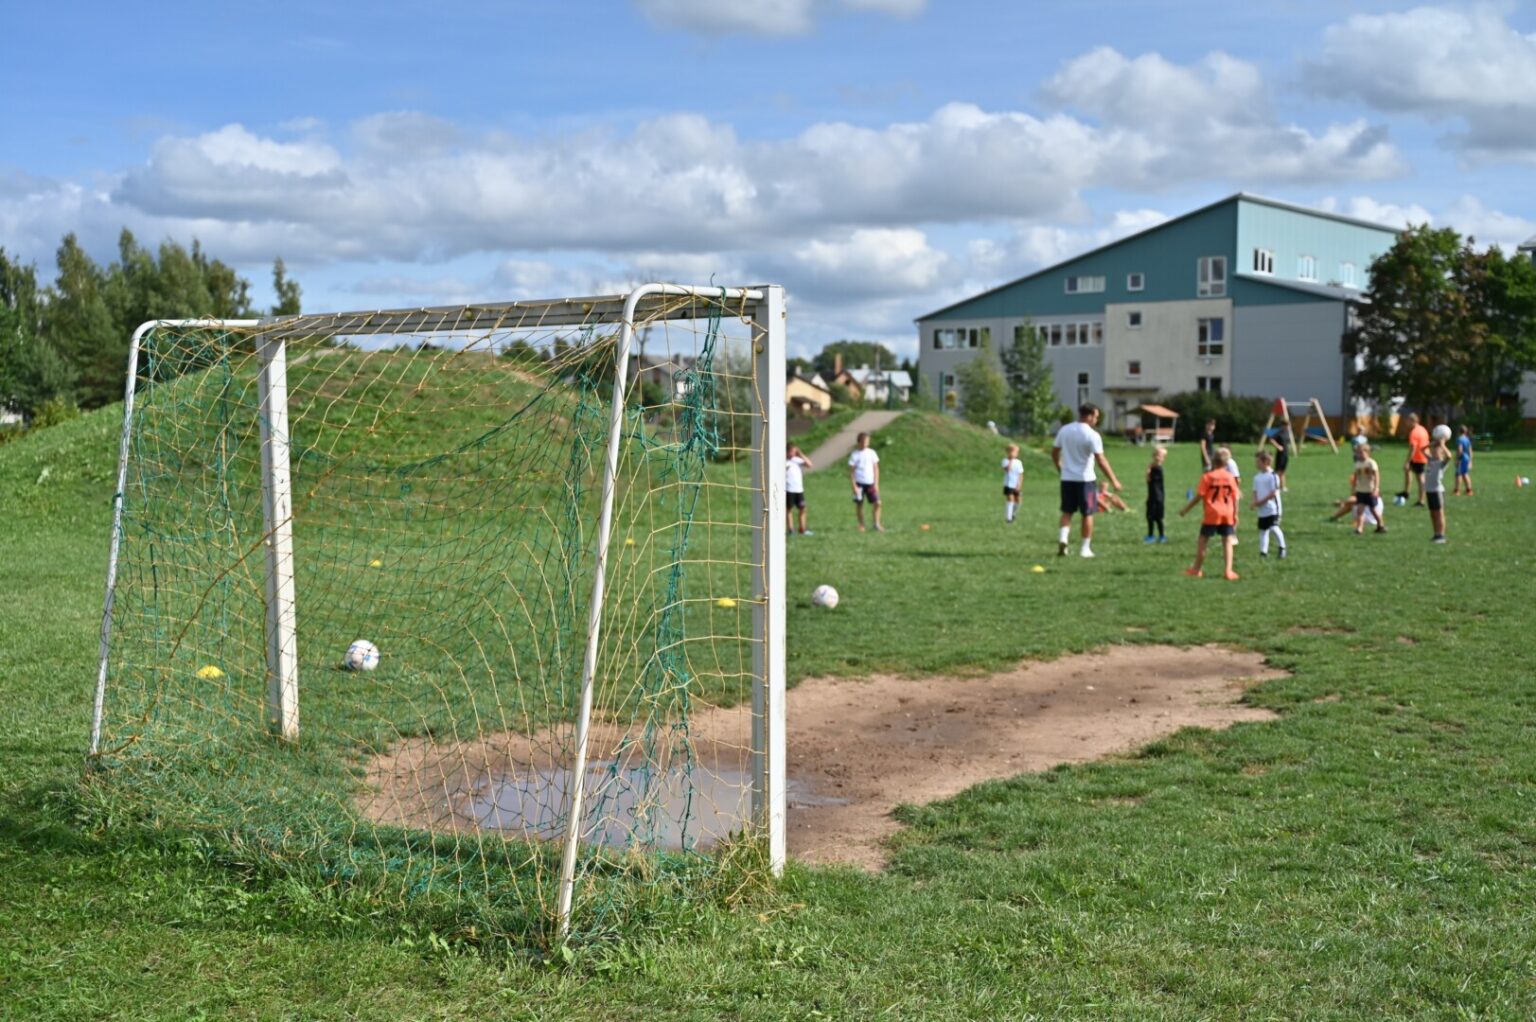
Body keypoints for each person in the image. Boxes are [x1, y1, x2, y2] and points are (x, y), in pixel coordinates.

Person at [1052, 403, 1122, 558]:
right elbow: (1101, 460)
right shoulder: (1092, 435)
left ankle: (1063, 539)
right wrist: (1114, 480)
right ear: (1089, 416)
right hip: (1085, 480)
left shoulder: (1065, 430)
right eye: (1096, 417)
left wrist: (1060, 467)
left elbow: (1055, 452)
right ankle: (1085, 549)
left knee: (1067, 512)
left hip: (1067, 479)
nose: (1096, 420)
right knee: (1087, 514)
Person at [1178, 447, 1241, 580]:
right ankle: (1228, 571)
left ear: (1213, 460)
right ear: (1227, 462)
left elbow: (1199, 496)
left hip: (1212, 513)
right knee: (1227, 541)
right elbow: (1235, 497)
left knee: (1203, 540)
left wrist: (1185, 510)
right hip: (1227, 513)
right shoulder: (1230, 477)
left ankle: (1197, 569)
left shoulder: (1208, 477)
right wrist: (1236, 514)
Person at [1251, 451, 1287, 559]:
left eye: (1258, 462)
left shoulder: (1273, 476)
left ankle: (1282, 547)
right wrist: (1254, 502)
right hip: (1262, 510)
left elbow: (1273, 493)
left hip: (1273, 508)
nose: (1256, 464)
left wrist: (1260, 501)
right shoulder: (1257, 477)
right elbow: (1255, 491)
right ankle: (1263, 552)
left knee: (1273, 527)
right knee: (1263, 530)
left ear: (1266, 462)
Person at [847, 432, 883, 532]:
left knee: (878, 503)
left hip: (870, 483)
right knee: (859, 504)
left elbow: (876, 468)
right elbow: (851, 472)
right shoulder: (855, 455)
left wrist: (876, 483)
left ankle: (877, 524)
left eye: (867, 442)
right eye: (863, 442)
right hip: (859, 483)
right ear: (859, 442)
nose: (865, 444)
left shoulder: (872, 453)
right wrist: (854, 485)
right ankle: (861, 525)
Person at [1352, 441, 1386, 534]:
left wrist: (1376, 488)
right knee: (1360, 510)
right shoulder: (1357, 464)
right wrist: (1354, 488)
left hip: (1370, 490)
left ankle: (1381, 525)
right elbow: (1356, 476)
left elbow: (1376, 476)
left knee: (1373, 510)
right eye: (1358, 452)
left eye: (1361, 452)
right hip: (1361, 490)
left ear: (1367, 452)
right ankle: (1359, 528)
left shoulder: (1371, 463)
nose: (1359, 454)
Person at [1425, 427, 1451, 543]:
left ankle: (1441, 535)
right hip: (1429, 490)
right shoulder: (1430, 460)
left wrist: (1443, 445)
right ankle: (1436, 534)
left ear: (1441, 453)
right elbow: (1422, 450)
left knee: (1439, 513)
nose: (1434, 452)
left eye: (1437, 451)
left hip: (1437, 491)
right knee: (1432, 513)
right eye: (1433, 451)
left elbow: (1449, 456)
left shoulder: (1441, 463)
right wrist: (1432, 443)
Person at [1398, 412, 1430, 505]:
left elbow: (1413, 448)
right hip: (1423, 455)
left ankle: (1421, 500)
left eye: (1407, 421)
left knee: (1420, 479)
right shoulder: (1423, 429)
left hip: (1418, 458)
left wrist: (1407, 461)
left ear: (1412, 421)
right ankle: (1406, 492)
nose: (1406, 423)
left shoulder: (1414, 432)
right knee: (1407, 471)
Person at [785, 443, 813, 536]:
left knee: (803, 508)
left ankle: (803, 529)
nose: (793, 453)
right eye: (792, 451)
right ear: (787, 451)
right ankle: (791, 530)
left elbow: (809, 464)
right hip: (789, 489)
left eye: (794, 451)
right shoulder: (784, 461)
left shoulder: (797, 460)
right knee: (789, 509)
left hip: (799, 489)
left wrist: (800, 453)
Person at [1144, 446, 1167, 544]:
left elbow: (1148, 479)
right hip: (1152, 496)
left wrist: (1149, 469)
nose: (1157, 457)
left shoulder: (1158, 469)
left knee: (1157, 518)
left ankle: (1161, 536)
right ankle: (1151, 535)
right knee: (1150, 517)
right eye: (1155, 454)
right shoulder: (1154, 467)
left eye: (1159, 455)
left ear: (1163, 458)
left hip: (1157, 498)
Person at [1001, 444, 1024, 523]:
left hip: (1016, 484)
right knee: (1010, 499)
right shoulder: (1005, 461)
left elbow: (1020, 474)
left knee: (1018, 501)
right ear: (1008, 452)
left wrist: (1019, 484)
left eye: (1016, 452)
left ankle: (1013, 513)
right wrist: (1010, 460)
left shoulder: (1019, 462)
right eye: (1012, 451)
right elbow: (1007, 469)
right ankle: (1009, 518)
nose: (1015, 453)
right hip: (1008, 484)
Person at [1454, 425, 1475, 495]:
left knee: (1458, 474)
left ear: (1459, 431)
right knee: (1465, 474)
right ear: (1466, 432)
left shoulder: (1459, 439)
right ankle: (1469, 490)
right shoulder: (1467, 439)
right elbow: (1470, 451)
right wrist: (1470, 461)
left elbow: (1460, 450)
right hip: (1467, 458)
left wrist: (1457, 459)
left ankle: (1457, 491)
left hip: (1461, 458)